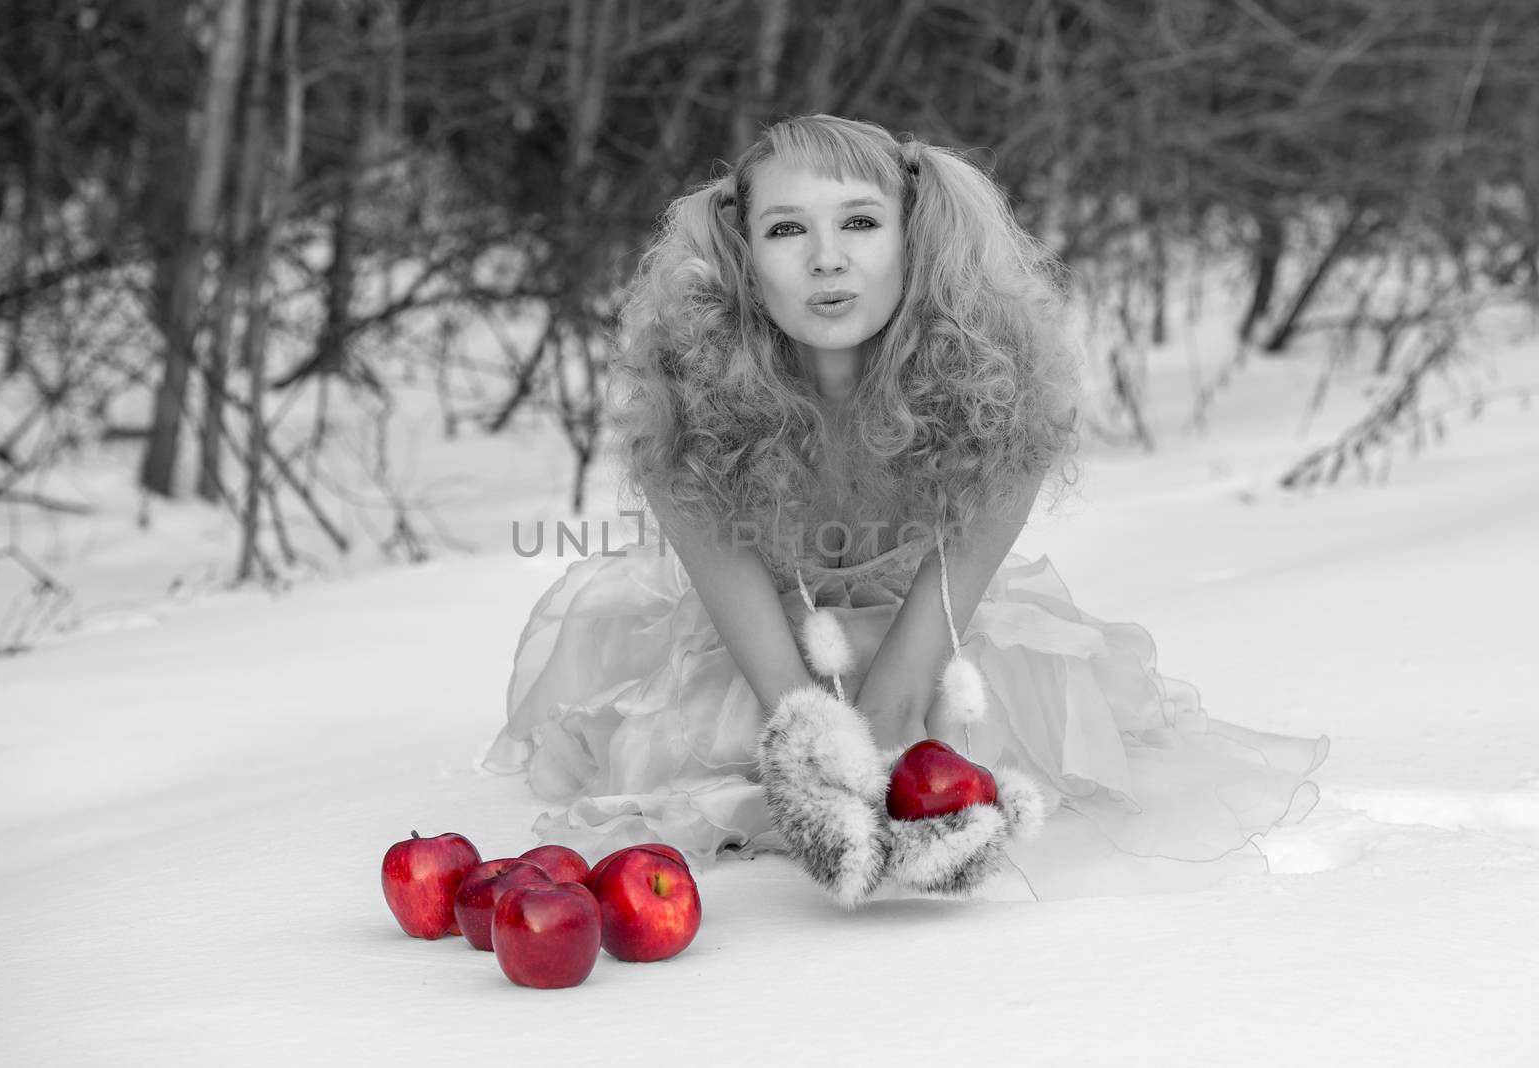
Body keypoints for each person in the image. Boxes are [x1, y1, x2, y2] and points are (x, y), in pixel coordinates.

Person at [483, 114, 1327, 905]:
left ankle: (939, 841)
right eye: (786, 230)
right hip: (756, 647)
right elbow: (782, 686)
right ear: (743, 258)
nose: (826, 260)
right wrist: (811, 743)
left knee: (961, 728)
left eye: (859, 223)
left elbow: (917, 659)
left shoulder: (1000, 388)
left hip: (935, 634)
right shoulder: (688, 399)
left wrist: (892, 723)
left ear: (913, 237)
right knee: (724, 754)